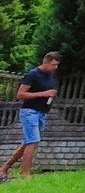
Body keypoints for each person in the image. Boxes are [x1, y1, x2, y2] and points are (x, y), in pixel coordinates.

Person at [0, 51, 58, 182]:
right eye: (54, 64)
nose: (56, 67)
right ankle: (25, 175)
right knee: (32, 141)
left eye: (57, 65)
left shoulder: (50, 75)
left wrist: (50, 95)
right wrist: (43, 94)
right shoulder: (33, 74)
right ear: (46, 62)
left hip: (41, 113)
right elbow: (20, 95)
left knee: (29, 142)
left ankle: (4, 167)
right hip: (29, 112)